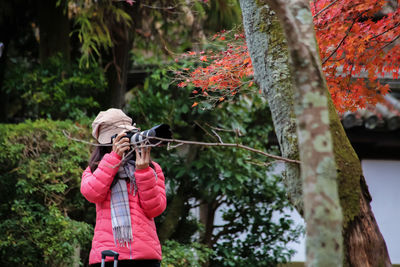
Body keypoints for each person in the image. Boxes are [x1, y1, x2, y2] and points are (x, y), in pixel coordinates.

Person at [81, 108, 166, 267]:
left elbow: (155, 209)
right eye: (121, 138)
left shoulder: (152, 168)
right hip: (108, 256)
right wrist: (113, 159)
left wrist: (143, 172)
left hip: (146, 258)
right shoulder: (94, 169)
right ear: (107, 142)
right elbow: (92, 193)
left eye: (128, 136)